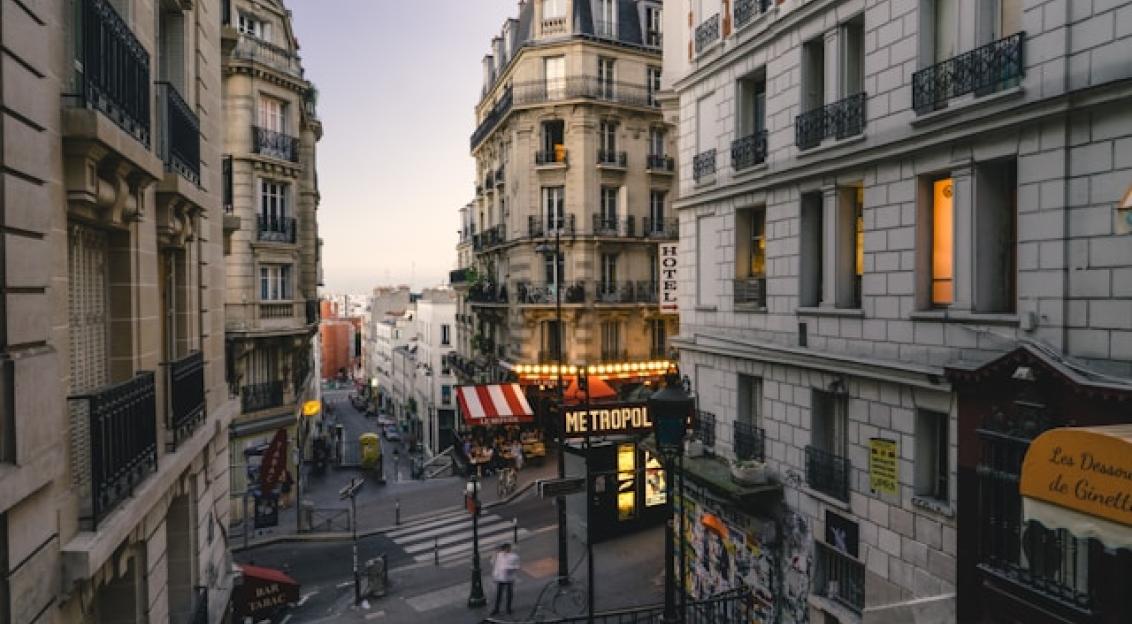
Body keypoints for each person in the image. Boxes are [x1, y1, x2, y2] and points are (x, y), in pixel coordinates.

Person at [490, 542, 520, 615]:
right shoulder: (499, 555)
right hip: (500, 578)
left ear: (509, 548)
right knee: (499, 594)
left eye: (507, 548)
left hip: (509, 578)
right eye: (504, 548)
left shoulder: (514, 556)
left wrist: (510, 568)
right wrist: (494, 554)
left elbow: (518, 566)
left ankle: (508, 609)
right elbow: (492, 562)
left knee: (509, 594)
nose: (505, 550)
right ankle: (496, 609)